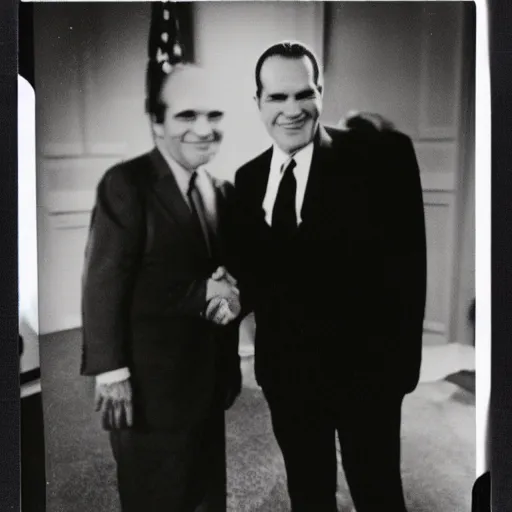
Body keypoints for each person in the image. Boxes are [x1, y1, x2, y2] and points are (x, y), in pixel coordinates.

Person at [230, 41, 427, 512]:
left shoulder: (377, 160)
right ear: (257, 102)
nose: (292, 110)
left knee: (378, 493)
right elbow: (257, 276)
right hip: (288, 378)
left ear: (321, 92)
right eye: (277, 98)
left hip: (366, 380)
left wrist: (399, 374)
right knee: (309, 494)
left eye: (304, 94)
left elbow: (408, 271)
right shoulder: (248, 178)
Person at [80, 62, 242, 512]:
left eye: (214, 116)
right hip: (149, 387)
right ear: (157, 122)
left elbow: (231, 278)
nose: (204, 129)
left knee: (206, 493)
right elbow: (105, 283)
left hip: (207, 381)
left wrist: (231, 297)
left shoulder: (221, 191)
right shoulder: (127, 184)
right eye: (187, 116)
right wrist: (111, 374)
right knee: (156, 496)